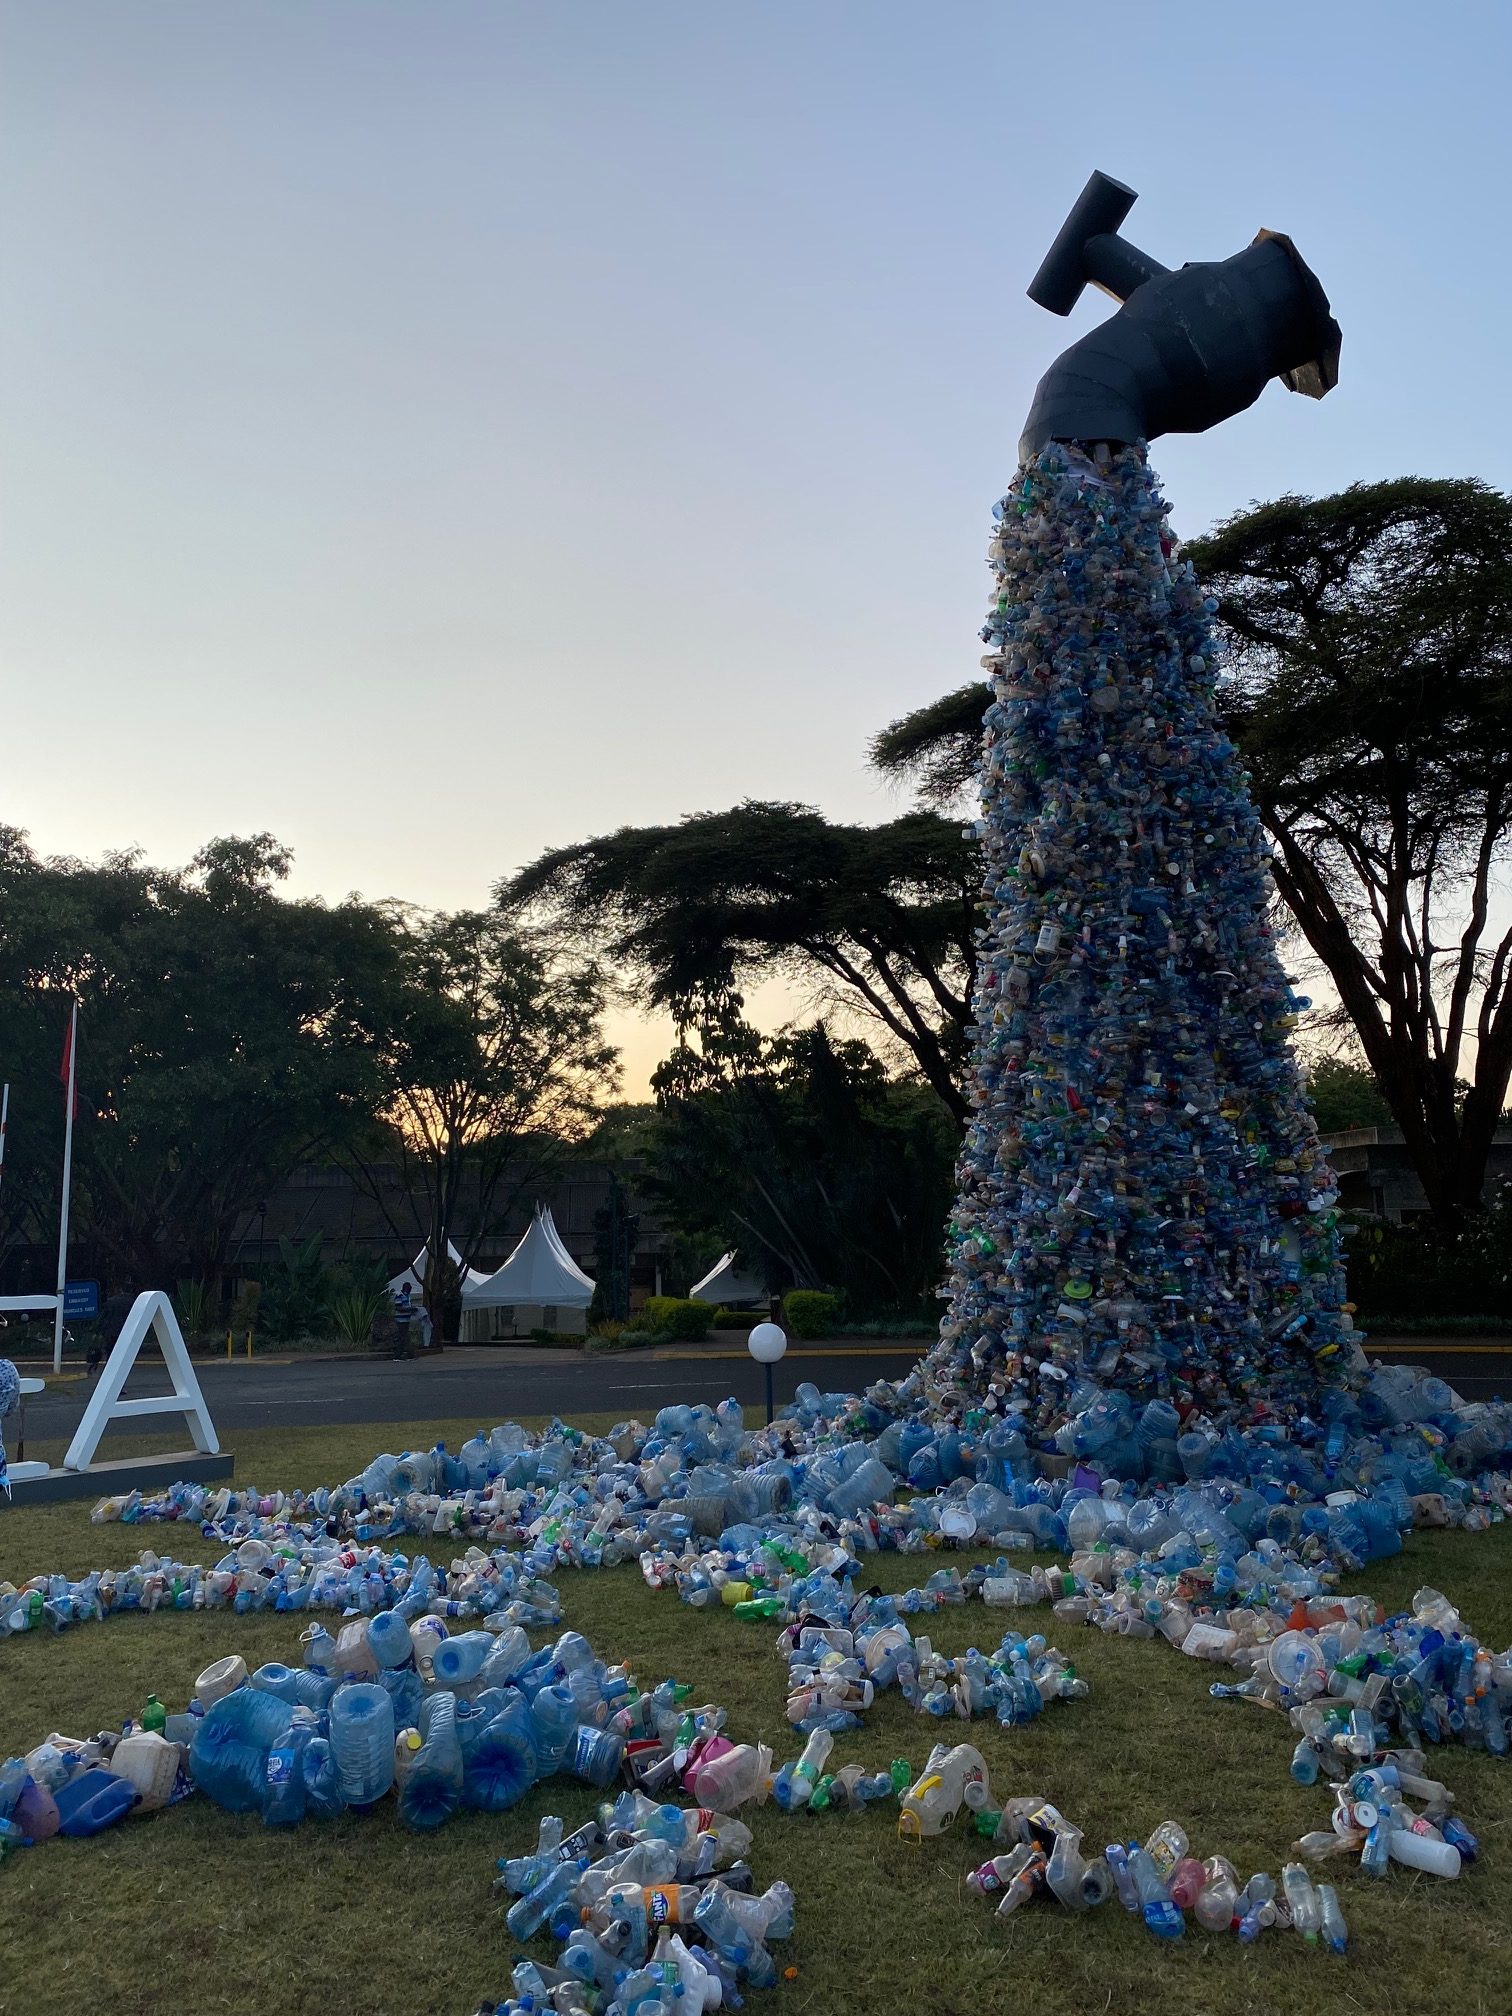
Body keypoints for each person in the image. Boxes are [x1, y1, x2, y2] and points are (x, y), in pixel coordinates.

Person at [392, 1284, 417, 1361]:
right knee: (402, 1337)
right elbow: (398, 1307)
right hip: (401, 1320)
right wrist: (409, 1309)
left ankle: (409, 1355)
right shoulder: (399, 1295)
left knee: (406, 1337)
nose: (410, 1291)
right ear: (405, 1288)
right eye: (409, 1289)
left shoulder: (407, 1296)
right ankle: (397, 1356)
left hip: (406, 1319)